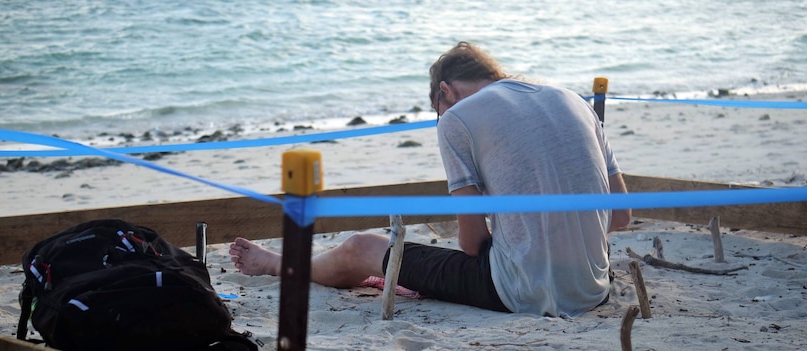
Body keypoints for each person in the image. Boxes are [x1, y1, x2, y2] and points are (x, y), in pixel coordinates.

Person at [229, 41, 631, 317]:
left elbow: (472, 244)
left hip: (524, 292)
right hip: (593, 288)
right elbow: (620, 217)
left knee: (360, 247)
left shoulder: (459, 118)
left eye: (437, 111)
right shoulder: (573, 100)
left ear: (445, 92)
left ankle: (278, 264)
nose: (441, 119)